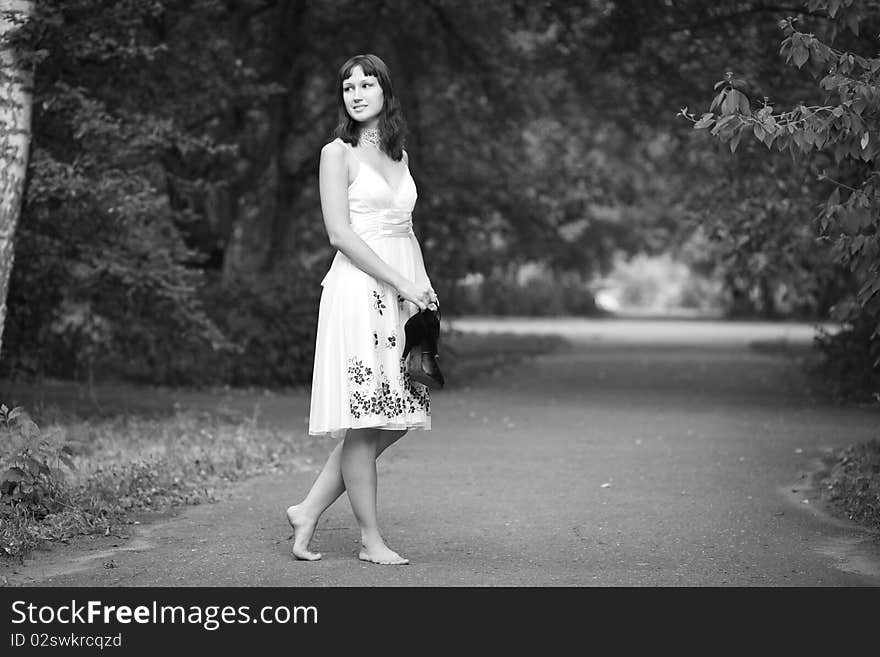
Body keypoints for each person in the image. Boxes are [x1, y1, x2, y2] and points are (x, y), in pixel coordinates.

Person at [285, 54, 439, 566]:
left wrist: (423, 287)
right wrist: (399, 282)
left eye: (366, 83)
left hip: (402, 292)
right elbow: (339, 233)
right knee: (367, 417)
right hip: (358, 292)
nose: (356, 92)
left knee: (393, 416)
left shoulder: (400, 155)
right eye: (347, 86)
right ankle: (370, 540)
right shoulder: (337, 152)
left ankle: (308, 509)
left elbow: (405, 229)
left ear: (384, 92)